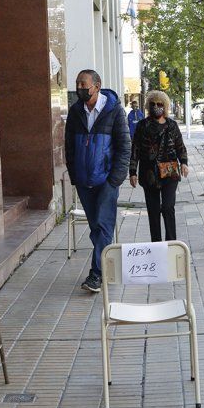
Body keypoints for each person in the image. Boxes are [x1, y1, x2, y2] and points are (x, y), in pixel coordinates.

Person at [65, 70, 130, 293]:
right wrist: (74, 176)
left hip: (106, 182)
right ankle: (107, 264)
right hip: (84, 182)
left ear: (97, 86)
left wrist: (114, 180)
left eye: (83, 84)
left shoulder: (113, 110)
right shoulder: (75, 112)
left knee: (103, 225)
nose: (79, 87)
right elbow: (69, 148)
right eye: (77, 84)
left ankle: (96, 274)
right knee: (96, 228)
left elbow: (124, 147)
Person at [129, 91, 189, 242]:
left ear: (165, 106)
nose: (156, 107)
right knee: (153, 211)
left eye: (160, 104)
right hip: (148, 173)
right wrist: (132, 172)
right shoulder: (143, 125)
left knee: (168, 207)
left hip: (170, 172)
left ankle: (171, 243)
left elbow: (180, 146)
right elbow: (135, 149)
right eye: (153, 104)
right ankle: (156, 245)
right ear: (148, 106)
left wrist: (184, 163)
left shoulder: (172, 125)